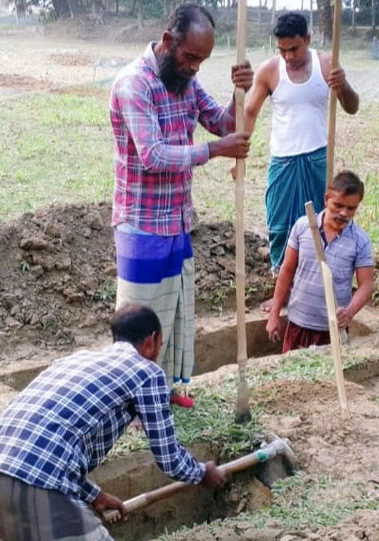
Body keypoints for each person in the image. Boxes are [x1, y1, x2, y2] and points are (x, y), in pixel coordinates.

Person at [0, 305, 226, 541]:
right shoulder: (147, 373)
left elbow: (52, 443)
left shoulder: (73, 361)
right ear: (151, 341)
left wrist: (93, 494)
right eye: (161, 345)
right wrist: (202, 473)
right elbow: (169, 459)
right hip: (37, 480)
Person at [110, 3, 253, 407]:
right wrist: (214, 150)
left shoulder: (186, 83)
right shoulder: (134, 83)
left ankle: (166, 392)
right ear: (169, 41)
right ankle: (130, 404)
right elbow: (153, 155)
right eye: (190, 57)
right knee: (138, 323)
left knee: (172, 316)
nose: (194, 68)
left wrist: (241, 90)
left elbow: (225, 124)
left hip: (177, 222)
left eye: (202, 61)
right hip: (141, 224)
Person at [240, 12, 360, 287]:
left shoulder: (328, 64)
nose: (288, 56)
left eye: (294, 48)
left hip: (318, 159)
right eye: (282, 50)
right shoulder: (270, 70)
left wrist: (343, 86)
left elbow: (352, 107)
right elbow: (249, 111)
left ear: (307, 39)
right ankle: (281, 283)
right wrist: (239, 156)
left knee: (321, 223)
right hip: (282, 162)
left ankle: (318, 283)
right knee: (280, 225)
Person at [266, 171, 375, 352]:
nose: (343, 213)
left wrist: (349, 313)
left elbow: (366, 285)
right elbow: (287, 270)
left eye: (351, 208)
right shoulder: (303, 227)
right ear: (326, 199)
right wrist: (274, 314)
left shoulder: (360, 241)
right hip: (298, 323)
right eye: (338, 205)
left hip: (331, 330)